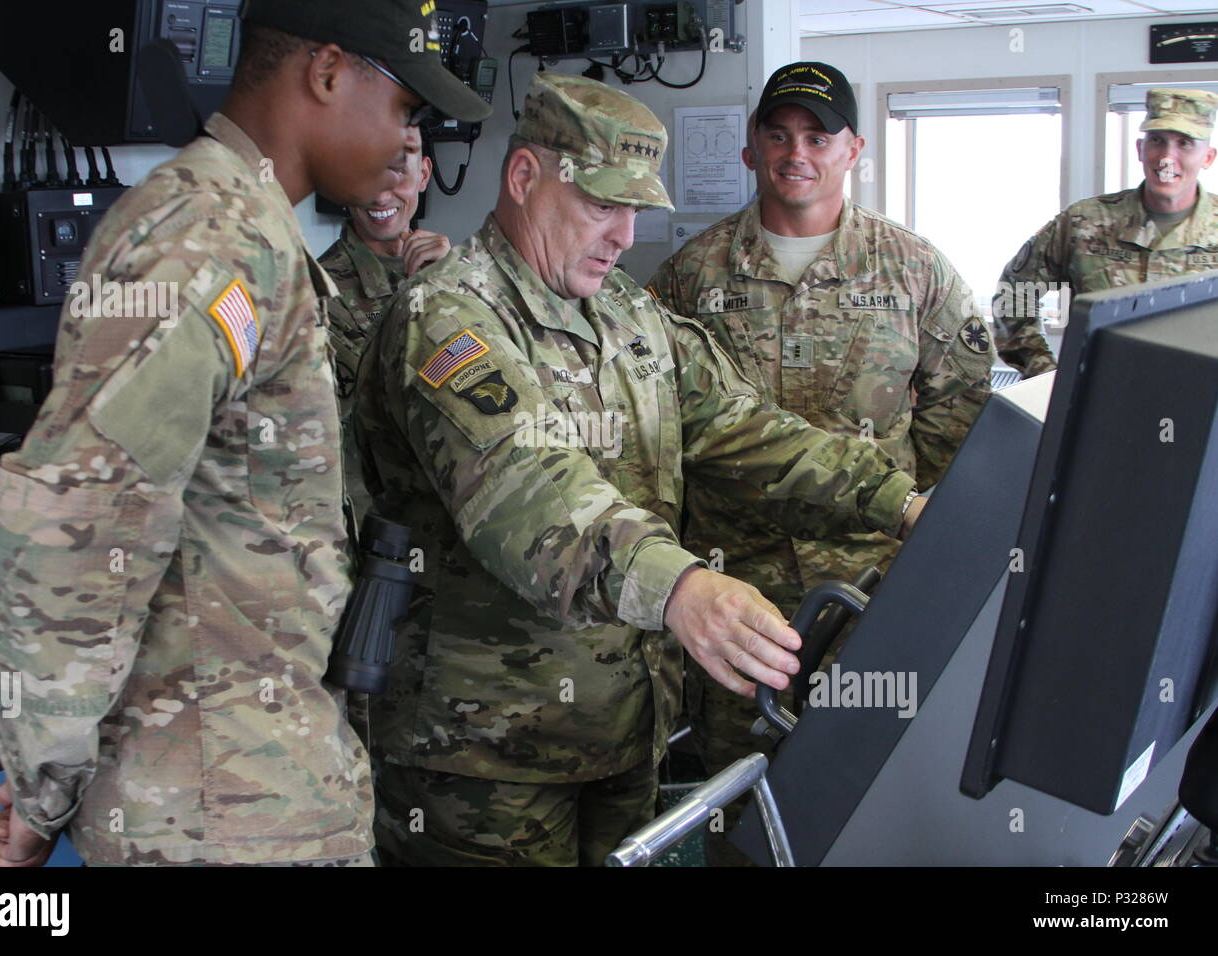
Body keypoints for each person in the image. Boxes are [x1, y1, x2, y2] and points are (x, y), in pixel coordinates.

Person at [353, 71, 927, 867]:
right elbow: (529, 489)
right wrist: (684, 587)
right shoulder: (449, 316)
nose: (623, 234)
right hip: (484, 757)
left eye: (634, 209)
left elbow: (744, 426)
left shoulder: (627, 313)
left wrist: (902, 503)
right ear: (524, 178)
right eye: (600, 203)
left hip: (623, 731)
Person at [0, 0, 490, 867]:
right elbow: (80, 525)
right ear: (327, 73)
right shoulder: (210, 236)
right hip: (214, 807)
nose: (410, 143)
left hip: (256, 777)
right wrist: (40, 791)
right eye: (405, 108)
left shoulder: (250, 231)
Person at [647, 60, 994, 865]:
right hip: (742, 591)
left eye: (817, 135)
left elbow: (963, 410)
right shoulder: (689, 279)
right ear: (750, 150)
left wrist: (921, 530)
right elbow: (663, 432)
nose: (795, 152)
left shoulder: (913, 269)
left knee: (869, 789)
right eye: (777, 134)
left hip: (873, 587)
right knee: (741, 800)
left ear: (853, 150)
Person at [994, 87, 1218, 378]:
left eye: (1185, 144)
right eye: (1157, 141)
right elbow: (1015, 290)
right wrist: (1042, 371)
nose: (1166, 157)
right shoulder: (1084, 222)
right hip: (1099, 402)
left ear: (1208, 157)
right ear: (1140, 149)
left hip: (1201, 404)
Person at [318, 124, 450, 519]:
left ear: (423, 175)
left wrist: (449, 286)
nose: (380, 195)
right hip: (376, 521)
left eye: (396, 173)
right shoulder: (321, 292)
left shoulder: (454, 274)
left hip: (452, 517)